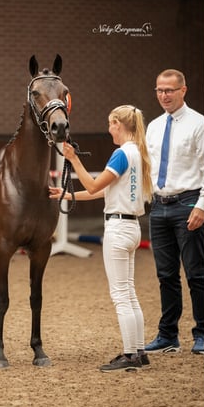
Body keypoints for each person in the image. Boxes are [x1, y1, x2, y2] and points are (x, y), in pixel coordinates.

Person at [49, 105, 153, 372]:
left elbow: (94, 185)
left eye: (111, 124)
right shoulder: (138, 153)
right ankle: (138, 351)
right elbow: (101, 191)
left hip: (118, 229)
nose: (109, 129)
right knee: (129, 293)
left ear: (119, 124)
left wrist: (73, 160)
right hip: (131, 227)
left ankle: (130, 354)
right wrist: (68, 194)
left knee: (120, 295)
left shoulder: (121, 154)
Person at [143, 69, 204, 355]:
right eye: (159, 90)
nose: (163, 95)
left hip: (188, 204)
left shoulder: (199, 124)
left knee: (197, 273)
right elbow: (149, 168)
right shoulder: (153, 126)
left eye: (169, 90)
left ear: (183, 90)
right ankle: (168, 335)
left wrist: (203, 206)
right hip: (159, 207)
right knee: (166, 274)